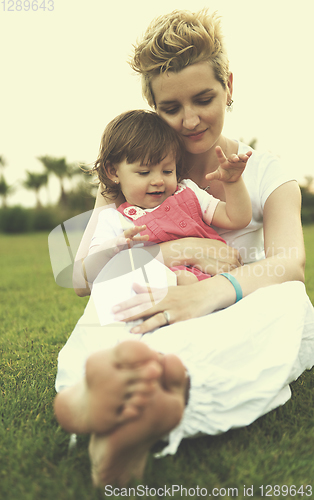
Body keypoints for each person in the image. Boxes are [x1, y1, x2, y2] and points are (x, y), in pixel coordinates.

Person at [54, 8, 314, 488]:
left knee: (289, 301)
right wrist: (169, 255)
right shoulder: (134, 176)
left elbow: (290, 264)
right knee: (115, 300)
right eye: (171, 108)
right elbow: (80, 279)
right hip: (152, 301)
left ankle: (131, 409)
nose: (190, 119)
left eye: (204, 98)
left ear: (229, 86)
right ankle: (114, 401)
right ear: (154, 107)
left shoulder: (268, 174)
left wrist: (208, 292)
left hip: (231, 309)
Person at [83, 109, 252, 286]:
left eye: (167, 171)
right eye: (144, 172)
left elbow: (236, 218)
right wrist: (110, 249)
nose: (158, 181)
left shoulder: (188, 192)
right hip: (159, 295)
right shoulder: (114, 220)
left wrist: (233, 183)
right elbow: (89, 272)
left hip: (218, 283)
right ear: (112, 171)